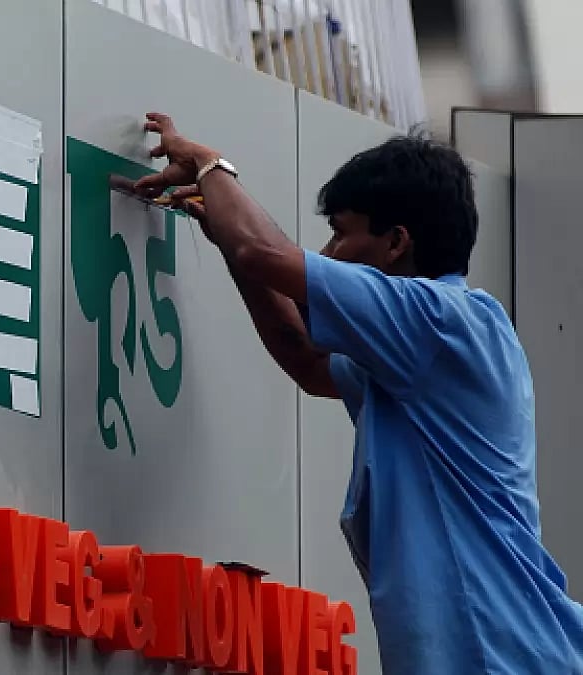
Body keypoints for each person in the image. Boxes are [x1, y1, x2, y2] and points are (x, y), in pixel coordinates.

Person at [131, 112, 583, 673]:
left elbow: (264, 253)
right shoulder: (410, 355)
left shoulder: (442, 322)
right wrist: (229, 238)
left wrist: (208, 165)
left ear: (396, 243)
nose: (331, 249)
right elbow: (304, 357)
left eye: (343, 232)